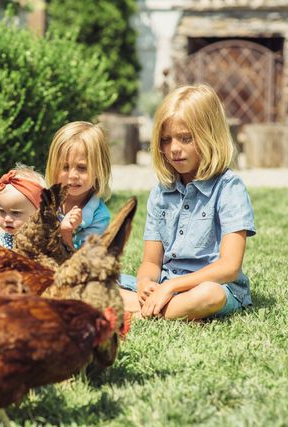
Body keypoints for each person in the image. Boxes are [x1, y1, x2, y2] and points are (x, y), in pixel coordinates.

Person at [119, 84, 255, 320]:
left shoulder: (229, 188)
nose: (174, 149)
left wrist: (172, 287)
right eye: (166, 140)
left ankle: (143, 312)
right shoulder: (161, 193)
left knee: (209, 295)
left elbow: (230, 267)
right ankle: (167, 309)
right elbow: (151, 262)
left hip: (213, 286)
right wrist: (144, 283)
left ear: (209, 135)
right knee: (99, 281)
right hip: (165, 284)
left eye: (185, 138)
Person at [45, 121, 112, 250]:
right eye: (65, 167)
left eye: (82, 168)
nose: (72, 175)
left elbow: (80, 264)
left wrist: (66, 232)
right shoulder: (46, 201)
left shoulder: (99, 217)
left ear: (100, 170)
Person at [0, 164, 46, 249]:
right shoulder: (2, 242)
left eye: (15, 212)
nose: (7, 219)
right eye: (2, 211)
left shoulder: (46, 239)